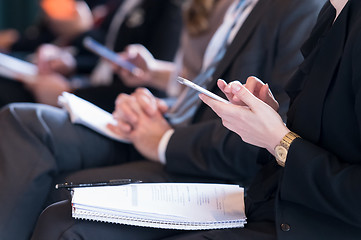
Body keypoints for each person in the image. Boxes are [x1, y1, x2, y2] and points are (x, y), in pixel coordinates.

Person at [32, 0, 361, 239]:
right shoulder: (330, 14)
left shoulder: (304, 10)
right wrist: (266, 118)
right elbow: (304, 125)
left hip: (296, 212)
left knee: (64, 216)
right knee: (61, 207)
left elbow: (294, 145)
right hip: (273, 197)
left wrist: (278, 139)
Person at [0, 0, 183, 111]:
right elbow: (105, 53)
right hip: (86, 86)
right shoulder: (122, 4)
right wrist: (72, 64)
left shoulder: (170, 9)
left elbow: (154, 88)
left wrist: (71, 93)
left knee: (14, 107)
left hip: (105, 106)